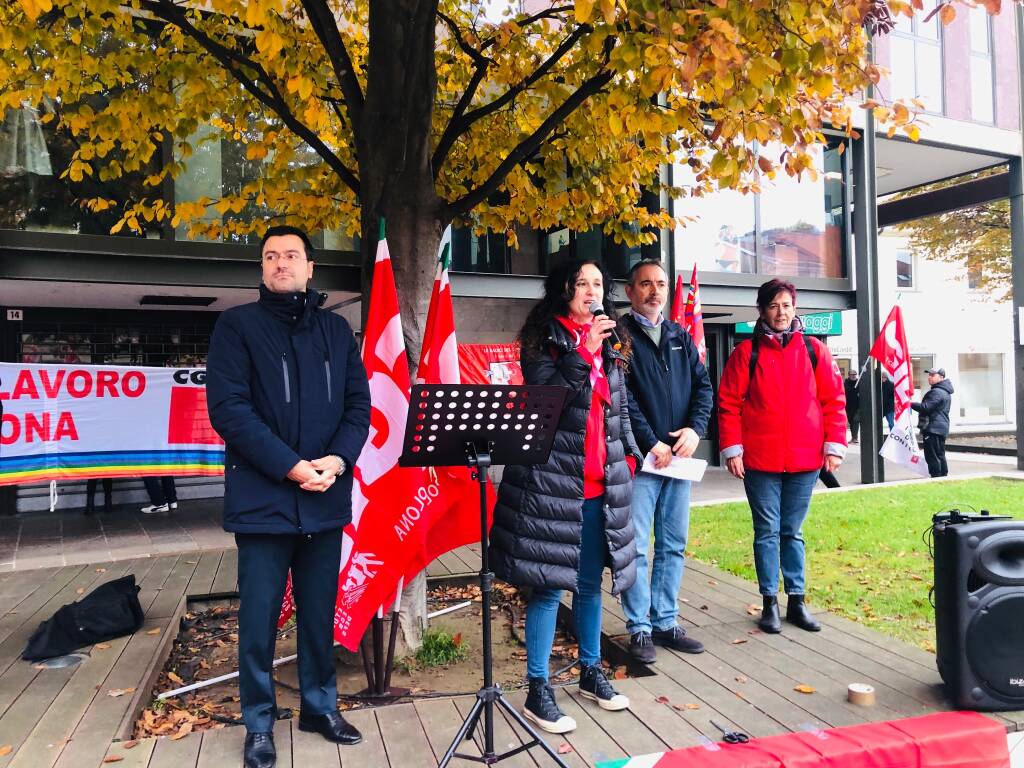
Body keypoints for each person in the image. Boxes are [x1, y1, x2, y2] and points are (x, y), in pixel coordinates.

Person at [206, 225, 371, 768]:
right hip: (264, 501)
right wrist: (293, 468)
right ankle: (259, 721)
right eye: (271, 256)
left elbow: (358, 407)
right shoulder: (236, 327)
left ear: (309, 268)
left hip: (325, 496)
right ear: (261, 269)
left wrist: (338, 461)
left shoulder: (335, 331)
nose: (281, 263)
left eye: (291, 255)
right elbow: (230, 411)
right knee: (257, 619)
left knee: (319, 613)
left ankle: (320, 706)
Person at [490, 259, 641, 735]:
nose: (591, 292)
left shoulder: (615, 345)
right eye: (582, 284)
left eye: (598, 284)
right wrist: (583, 351)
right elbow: (545, 400)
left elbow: (619, 411)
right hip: (553, 486)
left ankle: (592, 671)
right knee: (550, 585)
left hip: (601, 483)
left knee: (593, 583)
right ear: (563, 290)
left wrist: (632, 454)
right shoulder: (545, 340)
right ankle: (538, 688)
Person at [717, 279, 846, 635]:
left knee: (792, 531)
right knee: (767, 532)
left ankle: (797, 602)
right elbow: (727, 404)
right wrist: (733, 448)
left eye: (787, 305)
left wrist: (834, 445)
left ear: (795, 308)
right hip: (759, 461)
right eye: (774, 306)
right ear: (762, 310)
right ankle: (769, 602)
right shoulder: (746, 354)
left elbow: (833, 401)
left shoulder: (814, 350)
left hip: (806, 460)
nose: (781, 312)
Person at [619, 259, 713, 663]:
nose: (655, 291)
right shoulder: (619, 337)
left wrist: (695, 429)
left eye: (659, 283)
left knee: (673, 544)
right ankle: (639, 628)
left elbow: (703, 387)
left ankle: (666, 620)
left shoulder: (680, 335)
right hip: (643, 461)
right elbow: (622, 396)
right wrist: (649, 441)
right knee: (637, 546)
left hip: (680, 460)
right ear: (630, 291)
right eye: (645, 284)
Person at [912, 368, 953, 478]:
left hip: (933, 428)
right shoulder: (944, 391)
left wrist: (910, 404)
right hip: (939, 427)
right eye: (929, 375)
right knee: (940, 454)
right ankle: (943, 475)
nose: (929, 377)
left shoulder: (937, 392)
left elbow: (926, 407)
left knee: (932, 455)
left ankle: (936, 476)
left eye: (933, 375)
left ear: (941, 377)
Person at [844, 370, 860, 443]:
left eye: (855, 374)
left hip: (857, 406)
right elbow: (846, 391)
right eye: (852, 374)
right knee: (851, 422)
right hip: (848, 406)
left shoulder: (858, 382)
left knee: (855, 420)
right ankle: (853, 437)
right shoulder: (846, 383)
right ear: (849, 375)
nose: (853, 376)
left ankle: (855, 437)